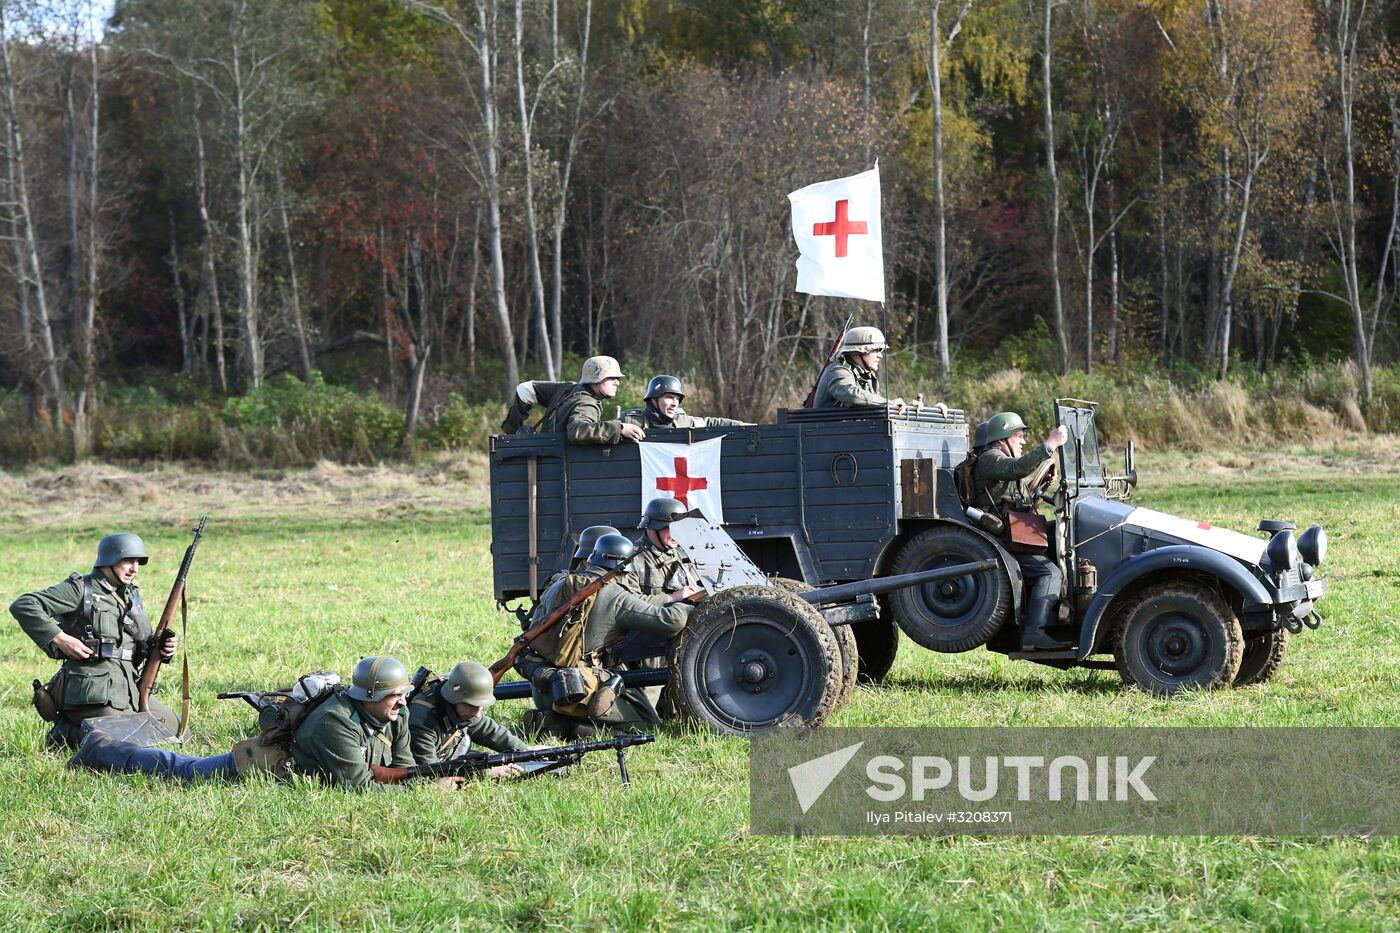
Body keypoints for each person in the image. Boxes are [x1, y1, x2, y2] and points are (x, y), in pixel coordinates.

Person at [67, 655, 461, 791]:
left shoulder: (397, 715)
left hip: (305, 768)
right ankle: (103, 750)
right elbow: (356, 787)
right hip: (265, 767)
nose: (403, 702)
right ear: (370, 696)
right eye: (394, 695)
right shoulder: (336, 721)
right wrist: (426, 792)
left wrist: (427, 780)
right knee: (181, 769)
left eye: (404, 694)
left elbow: (404, 768)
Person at [516, 534, 696, 739]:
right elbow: (671, 621)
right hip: (580, 691)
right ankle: (565, 727)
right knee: (644, 728)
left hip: (544, 687)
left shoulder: (558, 585)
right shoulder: (615, 595)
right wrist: (688, 603)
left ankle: (550, 719)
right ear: (623, 568)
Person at [11, 532, 180, 750]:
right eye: (128, 561)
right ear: (109, 559)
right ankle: (68, 731)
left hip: (129, 687)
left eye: (138, 562)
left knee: (178, 731)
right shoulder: (81, 588)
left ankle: (86, 731)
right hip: (93, 691)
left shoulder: (130, 595)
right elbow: (24, 605)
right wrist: (61, 638)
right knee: (127, 744)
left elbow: (142, 644)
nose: (134, 568)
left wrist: (164, 649)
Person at [973, 411, 1070, 650]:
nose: (1023, 441)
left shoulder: (1002, 463)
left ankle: (1063, 618)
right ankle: (1034, 633)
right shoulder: (990, 458)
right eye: (1018, 436)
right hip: (1003, 539)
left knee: (1063, 540)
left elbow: (1019, 496)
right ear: (1001, 439)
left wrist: (1044, 483)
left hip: (1015, 531)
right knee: (1049, 573)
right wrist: (1050, 444)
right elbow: (1016, 468)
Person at [407, 661, 529, 780]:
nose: (477, 714)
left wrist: (526, 751)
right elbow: (429, 772)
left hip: (444, 757)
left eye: (480, 706)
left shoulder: (463, 708)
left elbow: (492, 733)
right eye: (472, 705)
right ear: (454, 698)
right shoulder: (422, 719)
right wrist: (486, 772)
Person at [500, 356, 646, 445]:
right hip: (562, 468)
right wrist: (620, 428)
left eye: (617, 378)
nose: (617, 383)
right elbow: (578, 431)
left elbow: (524, 389)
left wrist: (511, 431)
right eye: (611, 378)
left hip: (547, 458)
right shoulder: (587, 403)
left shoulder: (567, 388)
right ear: (596, 378)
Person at [812, 326, 920, 414]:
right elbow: (852, 395)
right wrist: (889, 403)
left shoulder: (866, 376)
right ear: (858, 352)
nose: (880, 355)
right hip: (828, 432)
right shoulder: (837, 372)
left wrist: (906, 408)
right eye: (876, 350)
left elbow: (873, 403)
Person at [620, 375, 749, 430]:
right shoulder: (631, 421)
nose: (675, 403)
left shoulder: (681, 420)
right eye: (669, 397)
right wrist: (621, 429)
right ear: (654, 399)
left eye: (677, 399)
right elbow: (608, 431)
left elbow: (710, 423)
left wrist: (743, 425)